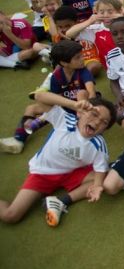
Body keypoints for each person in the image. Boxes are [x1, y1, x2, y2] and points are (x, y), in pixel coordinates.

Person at [0, 94, 116, 227]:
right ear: (81, 113)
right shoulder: (64, 120)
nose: (97, 122)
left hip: (72, 172)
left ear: (104, 130)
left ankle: (60, 201)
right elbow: (39, 96)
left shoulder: (99, 145)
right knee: (10, 215)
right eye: (94, 114)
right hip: (42, 174)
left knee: (106, 177)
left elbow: (100, 169)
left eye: (104, 122)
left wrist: (97, 186)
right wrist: (72, 104)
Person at [0, 40, 95, 154]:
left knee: (82, 93)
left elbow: (91, 94)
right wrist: (46, 114)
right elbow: (57, 99)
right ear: (64, 63)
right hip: (67, 107)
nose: (83, 58)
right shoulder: (57, 76)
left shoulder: (83, 72)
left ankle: (77, 121)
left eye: (81, 55)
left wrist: (84, 105)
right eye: (77, 57)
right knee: (32, 107)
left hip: (84, 108)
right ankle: (19, 140)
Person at [64, 0, 121, 76]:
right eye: (101, 12)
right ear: (96, 13)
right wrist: (89, 21)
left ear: (119, 12)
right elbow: (69, 33)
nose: (106, 15)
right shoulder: (95, 30)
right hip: (112, 69)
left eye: (110, 12)